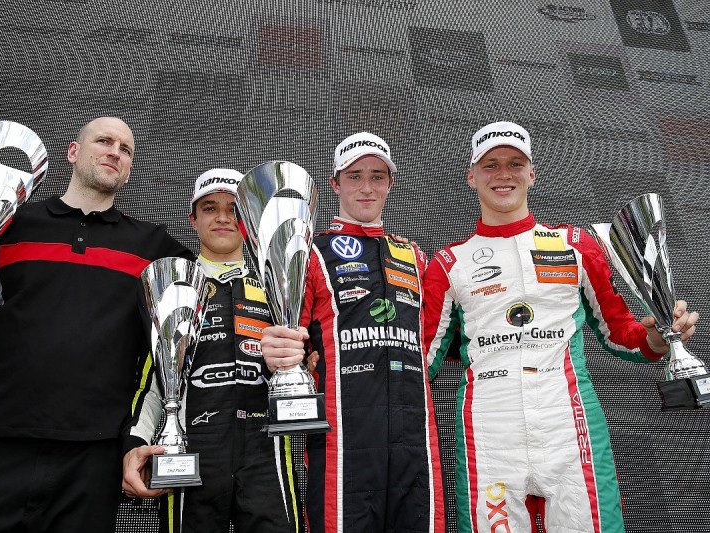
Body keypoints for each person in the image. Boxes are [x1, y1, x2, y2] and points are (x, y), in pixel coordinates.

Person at [0, 117, 192, 532]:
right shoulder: (8, 223)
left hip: (91, 456)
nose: (115, 152)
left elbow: (210, 292)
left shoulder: (155, 247)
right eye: (104, 141)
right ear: (73, 152)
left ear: (129, 170)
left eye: (125, 149)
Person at [422, 121, 699, 533]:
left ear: (532, 174)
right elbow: (421, 359)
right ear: (472, 176)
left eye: (515, 164)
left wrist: (659, 337)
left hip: (569, 424)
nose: (503, 174)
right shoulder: (448, 263)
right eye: (491, 165)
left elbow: (618, 332)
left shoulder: (575, 245)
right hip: (489, 429)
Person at [261, 132, 447, 532]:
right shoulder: (311, 251)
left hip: (415, 436)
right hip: (343, 438)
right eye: (355, 176)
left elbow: (434, 338)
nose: (366, 187)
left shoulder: (415, 256)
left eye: (377, 176)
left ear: (390, 183)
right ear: (335, 184)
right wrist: (280, 352)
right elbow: (287, 334)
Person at [121, 169, 302, 532]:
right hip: (190, 451)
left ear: (249, 219)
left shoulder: (279, 284)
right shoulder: (173, 287)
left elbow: (309, 365)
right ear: (192, 218)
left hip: (266, 452)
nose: (222, 217)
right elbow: (151, 385)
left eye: (234, 209)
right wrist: (133, 444)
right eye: (209, 208)